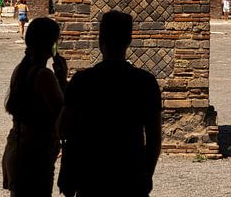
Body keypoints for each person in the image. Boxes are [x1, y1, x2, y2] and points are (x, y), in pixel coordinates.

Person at [57, 10, 162, 197]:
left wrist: (63, 86)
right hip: (130, 175)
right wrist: (146, 175)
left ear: (100, 40)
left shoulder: (83, 81)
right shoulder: (145, 82)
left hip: (91, 176)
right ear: (129, 40)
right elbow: (154, 138)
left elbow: (64, 129)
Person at [2, 17, 67, 197]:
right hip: (34, 157)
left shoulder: (20, 69)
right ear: (50, 43)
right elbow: (63, 116)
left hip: (18, 151)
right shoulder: (44, 76)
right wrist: (63, 80)